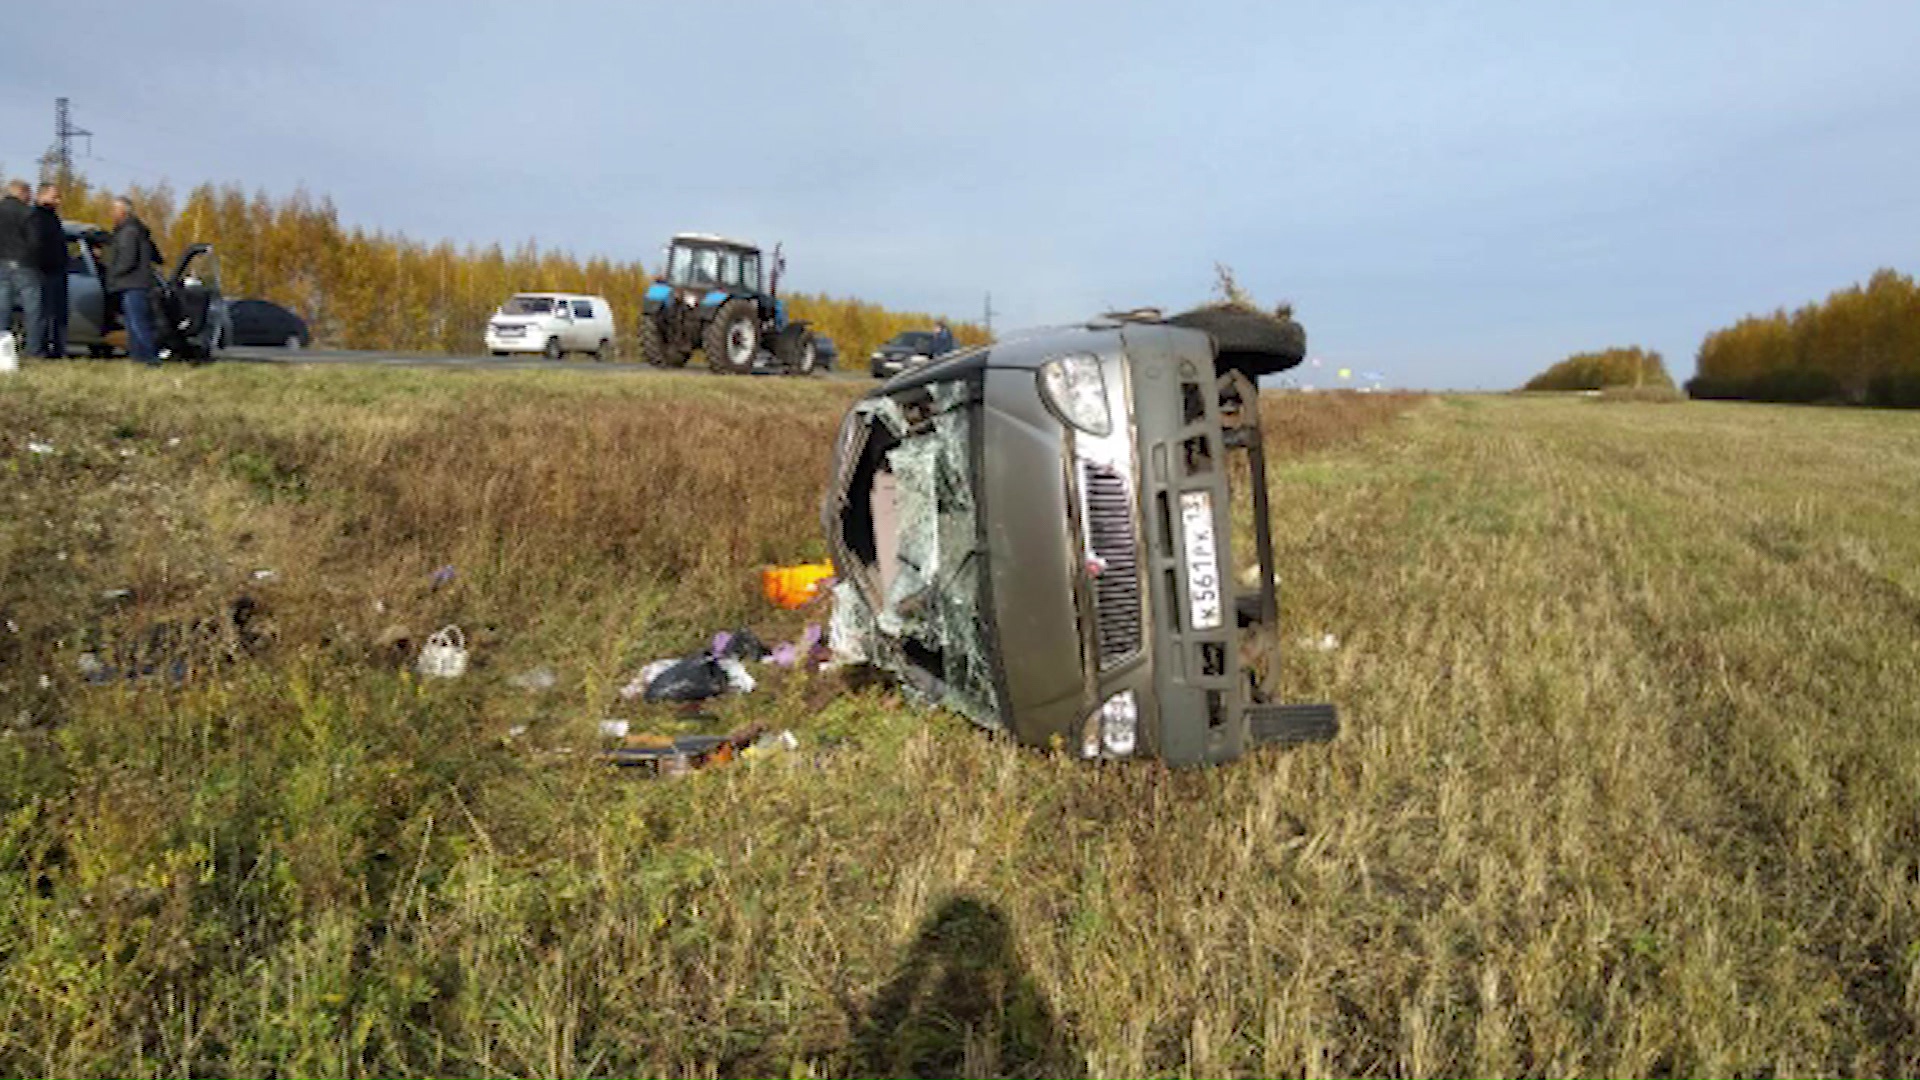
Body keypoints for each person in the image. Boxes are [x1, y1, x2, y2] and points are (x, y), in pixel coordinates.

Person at [105, 195, 161, 366]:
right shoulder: (136, 230)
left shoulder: (129, 232)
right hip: (136, 283)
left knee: (138, 324)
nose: (111, 213)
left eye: (114, 209)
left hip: (132, 283)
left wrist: (111, 275)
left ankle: (149, 358)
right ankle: (138, 358)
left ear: (123, 211)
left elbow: (127, 260)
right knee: (134, 324)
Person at [0, 180, 40, 356]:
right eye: (29, 194)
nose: (30, 198)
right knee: (33, 308)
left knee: (3, 308)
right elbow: (35, 242)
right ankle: (33, 349)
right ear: (22, 193)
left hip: (2, 263)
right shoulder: (28, 213)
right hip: (24, 265)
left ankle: (2, 349)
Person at [27, 184, 67, 358]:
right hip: (44, 271)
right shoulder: (37, 217)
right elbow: (37, 245)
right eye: (54, 197)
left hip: (57, 270)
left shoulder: (52, 217)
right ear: (42, 196)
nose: (58, 201)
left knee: (59, 314)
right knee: (43, 313)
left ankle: (58, 349)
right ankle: (41, 349)